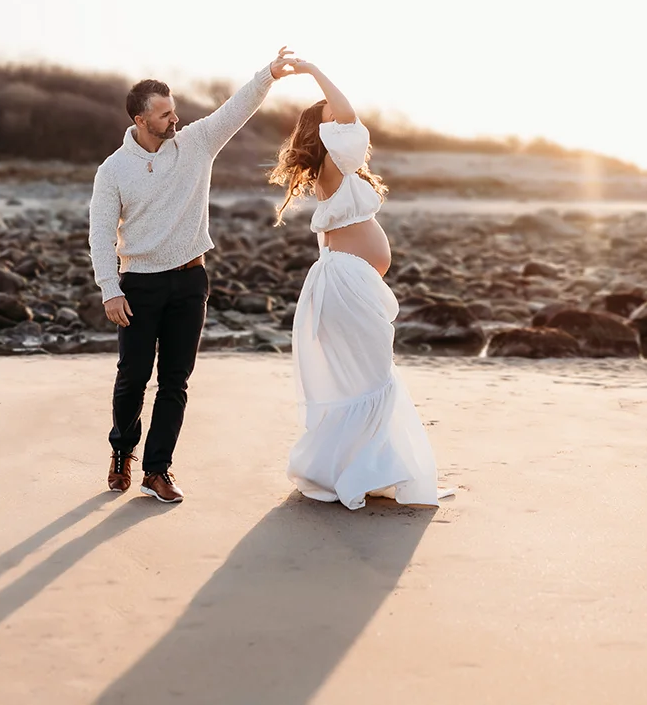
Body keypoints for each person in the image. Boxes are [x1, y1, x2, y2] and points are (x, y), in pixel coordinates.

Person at [89, 48, 296, 503]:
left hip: (189, 280)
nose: (174, 119)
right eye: (164, 115)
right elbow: (101, 234)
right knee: (132, 378)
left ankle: (157, 470)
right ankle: (122, 453)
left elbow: (235, 109)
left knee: (175, 381)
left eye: (174, 110)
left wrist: (268, 75)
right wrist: (110, 290)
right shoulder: (113, 170)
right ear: (141, 121)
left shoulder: (197, 142)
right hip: (138, 284)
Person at [268, 60, 450, 509]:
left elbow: (345, 113)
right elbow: (347, 112)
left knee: (369, 379)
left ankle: (368, 468)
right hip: (346, 281)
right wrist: (312, 69)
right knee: (372, 379)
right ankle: (358, 470)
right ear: (326, 125)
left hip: (350, 281)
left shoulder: (341, 164)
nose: (340, 109)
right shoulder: (334, 158)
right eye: (330, 108)